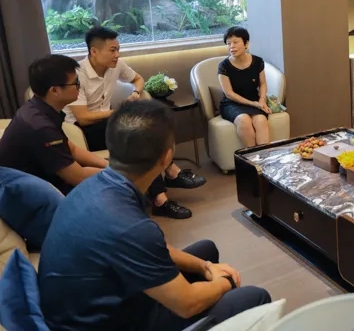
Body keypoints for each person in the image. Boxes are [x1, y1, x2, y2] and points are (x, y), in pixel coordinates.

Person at [38, 100, 272, 331]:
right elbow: (187, 304)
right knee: (254, 297)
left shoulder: (96, 186)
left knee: (206, 250)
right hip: (104, 323)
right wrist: (225, 282)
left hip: (95, 303)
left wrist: (205, 266)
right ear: (166, 157)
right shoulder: (129, 226)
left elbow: (150, 247)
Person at [65, 27, 206, 219]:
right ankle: (167, 183)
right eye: (112, 50)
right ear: (94, 51)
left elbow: (138, 79)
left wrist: (135, 93)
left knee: (145, 133)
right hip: (81, 131)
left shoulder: (116, 65)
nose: (117, 54)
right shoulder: (78, 75)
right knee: (138, 137)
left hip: (107, 121)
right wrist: (117, 112)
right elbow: (83, 117)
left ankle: (163, 192)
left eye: (118, 49)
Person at [0, 55, 107, 194]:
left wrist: (108, 165)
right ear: (54, 90)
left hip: (43, 179)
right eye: (76, 83)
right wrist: (119, 173)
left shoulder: (37, 108)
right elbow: (78, 177)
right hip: (22, 194)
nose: (79, 87)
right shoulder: (41, 127)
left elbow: (72, 149)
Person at [217, 26, 272, 147]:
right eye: (228, 43)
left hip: (254, 99)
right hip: (232, 103)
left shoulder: (258, 61)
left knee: (261, 120)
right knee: (243, 120)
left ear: (246, 43)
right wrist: (254, 104)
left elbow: (262, 83)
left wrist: (262, 100)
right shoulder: (224, 66)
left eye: (235, 42)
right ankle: (251, 157)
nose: (231, 46)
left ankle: (265, 156)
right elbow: (229, 94)